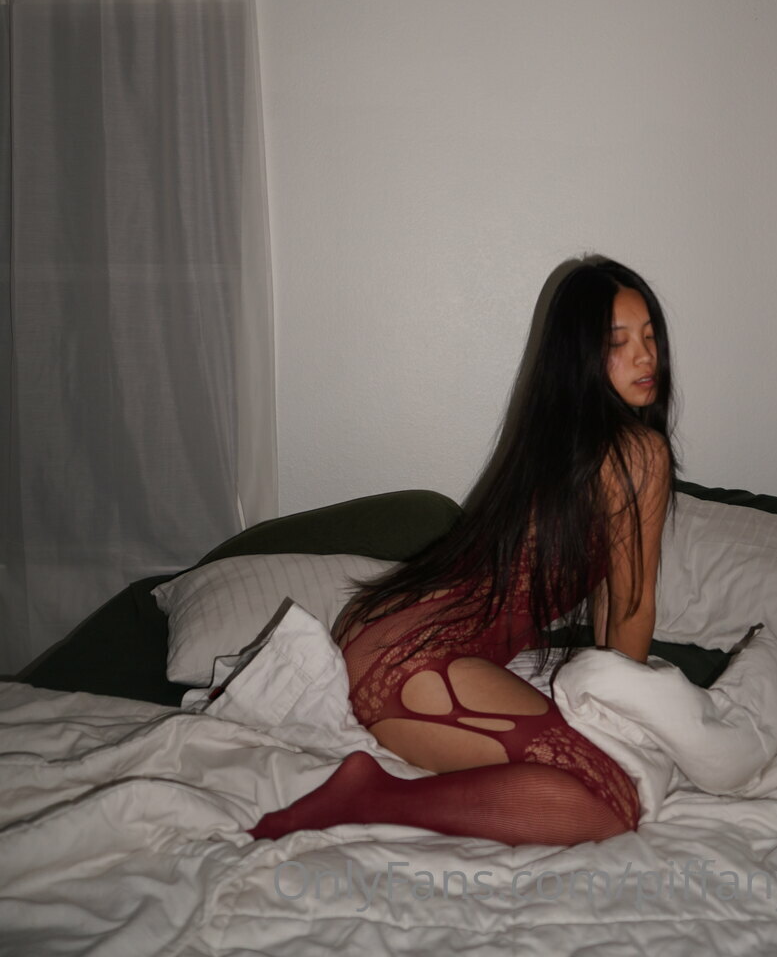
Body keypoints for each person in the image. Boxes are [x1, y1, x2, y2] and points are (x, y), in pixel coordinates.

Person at [248, 256, 677, 847]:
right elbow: (633, 608)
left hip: (380, 636)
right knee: (613, 803)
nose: (645, 357)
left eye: (650, 337)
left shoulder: (561, 443)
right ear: (580, 357)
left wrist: (608, 710)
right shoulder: (637, 453)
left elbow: (611, 604)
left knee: (600, 790)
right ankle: (368, 796)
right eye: (617, 342)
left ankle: (371, 791)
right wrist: (627, 733)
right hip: (417, 660)